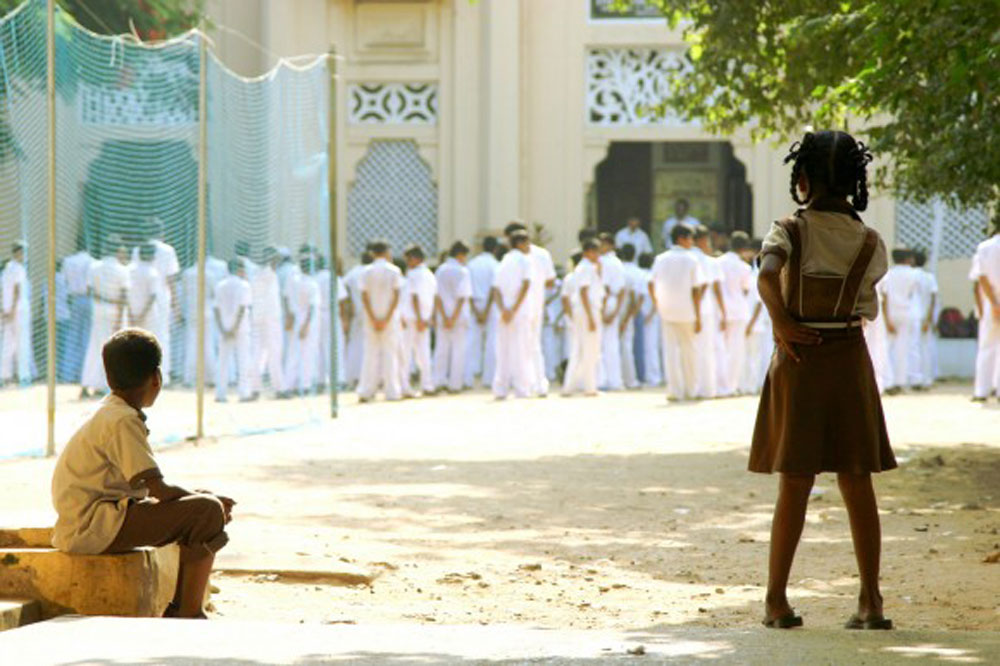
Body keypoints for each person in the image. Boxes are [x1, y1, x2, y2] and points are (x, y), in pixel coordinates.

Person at [750, 130, 894, 631]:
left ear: (803, 180)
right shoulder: (868, 241)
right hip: (849, 358)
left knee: (795, 480)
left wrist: (782, 324)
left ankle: (776, 601)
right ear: (855, 183)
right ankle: (871, 601)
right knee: (857, 477)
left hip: (799, 360)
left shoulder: (789, 230)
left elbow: (766, 275)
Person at [51, 328, 233, 619]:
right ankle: (189, 613)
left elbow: (150, 489)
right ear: (156, 377)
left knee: (201, 504)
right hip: (94, 527)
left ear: (109, 377)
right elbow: (160, 490)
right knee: (207, 511)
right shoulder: (123, 419)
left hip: (92, 521)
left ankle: (180, 609)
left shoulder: (109, 410)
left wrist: (194, 497)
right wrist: (206, 502)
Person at [649, 225, 705, 401]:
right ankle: (691, 390)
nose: (692, 242)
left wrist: (658, 303)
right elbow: (696, 290)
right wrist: (698, 316)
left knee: (670, 351)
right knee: (689, 351)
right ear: (681, 239)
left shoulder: (660, 259)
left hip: (667, 311)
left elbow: (650, 283)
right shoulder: (692, 259)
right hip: (687, 311)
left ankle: (674, 391)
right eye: (690, 238)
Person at [505, 222, 556, 397]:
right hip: (536, 305)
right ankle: (539, 384)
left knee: (519, 346)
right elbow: (551, 281)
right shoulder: (542, 254)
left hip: (518, 307)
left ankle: (525, 384)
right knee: (534, 346)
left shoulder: (512, 258)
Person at [81, 237, 131, 397]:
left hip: (98, 309)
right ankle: (104, 385)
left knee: (95, 346)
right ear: (117, 251)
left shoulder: (94, 267)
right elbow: (124, 296)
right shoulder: (122, 270)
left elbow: (89, 291)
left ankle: (86, 384)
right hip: (115, 310)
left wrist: (103, 298)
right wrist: (119, 318)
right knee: (113, 350)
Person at [132, 219, 179, 385]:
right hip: (160, 298)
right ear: (161, 233)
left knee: (139, 337)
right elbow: (171, 280)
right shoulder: (168, 250)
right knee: (161, 336)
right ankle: (162, 375)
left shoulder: (137, 249)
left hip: (140, 296)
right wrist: (176, 305)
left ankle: (139, 373)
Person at [357, 241, 403, 402]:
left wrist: (373, 318)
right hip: (389, 319)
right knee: (390, 355)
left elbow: (364, 297)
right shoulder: (394, 271)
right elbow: (396, 297)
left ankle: (366, 391)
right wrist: (386, 319)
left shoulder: (365, 272)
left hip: (371, 319)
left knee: (370, 354)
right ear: (386, 252)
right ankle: (392, 391)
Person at [491, 230, 534, 400]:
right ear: (520, 244)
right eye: (527, 243)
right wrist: (514, 310)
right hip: (519, 312)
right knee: (521, 349)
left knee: (503, 351)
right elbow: (526, 285)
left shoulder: (504, 261)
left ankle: (500, 388)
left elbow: (496, 289)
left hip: (504, 313)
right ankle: (522, 388)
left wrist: (503, 310)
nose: (529, 246)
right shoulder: (525, 260)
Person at [562, 239, 603, 396]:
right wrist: (591, 317)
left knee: (581, 349)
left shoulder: (584, 268)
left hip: (582, 310)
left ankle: (574, 386)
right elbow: (584, 292)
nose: (598, 255)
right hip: (588, 310)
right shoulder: (587, 268)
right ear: (588, 252)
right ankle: (587, 387)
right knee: (589, 349)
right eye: (596, 252)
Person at [181, 255, 228, 388]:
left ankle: (188, 377)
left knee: (191, 345)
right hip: (206, 311)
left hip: (192, 311)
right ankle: (211, 377)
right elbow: (214, 293)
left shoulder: (187, 273)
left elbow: (185, 291)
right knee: (208, 345)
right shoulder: (210, 274)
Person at [717, 232, 754, 396]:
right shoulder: (744, 267)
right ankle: (730, 386)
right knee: (735, 350)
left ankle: (719, 385)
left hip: (720, 310)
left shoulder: (717, 262)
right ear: (743, 248)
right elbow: (745, 290)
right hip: (738, 310)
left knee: (720, 349)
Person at [879, 248, 920, 395]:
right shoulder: (914, 274)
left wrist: (887, 319)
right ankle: (900, 381)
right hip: (906, 312)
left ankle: (887, 381)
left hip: (889, 312)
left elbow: (885, 296)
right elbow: (913, 294)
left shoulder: (887, 274)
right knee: (902, 348)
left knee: (886, 347)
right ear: (908, 259)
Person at [692, 225, 726, 398]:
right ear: (703, 240)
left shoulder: (689, 258)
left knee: (691, 349)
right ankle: (708, 388)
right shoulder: (710, 262)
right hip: (706, 309)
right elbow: (717, 290)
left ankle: (693, 387)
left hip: (688, 309)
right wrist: (724, 313)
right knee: (707, 349)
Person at [434, 242, 472, 393]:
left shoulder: (440, 270)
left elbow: (437, 296)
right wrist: (453, 318)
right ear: (460, 255)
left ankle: (438, 381)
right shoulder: (463, 271)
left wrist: (445, 316)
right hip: (459, 317)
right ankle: (455, 383)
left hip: (442, 316)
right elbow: (462, 297)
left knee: (441, 350)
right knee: (458, 351)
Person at [213, 259, 253, 403]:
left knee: (222, 361)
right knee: (243, 360)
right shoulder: (244, 285)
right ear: (238, 269)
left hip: (224, 327)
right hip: (240, 328)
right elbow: (242, 308)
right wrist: (235, 327)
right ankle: (244, 393)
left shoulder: (220, 285)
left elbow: (216, 309)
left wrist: (223, 329)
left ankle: (220, 393)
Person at [400, 245, 437, 397]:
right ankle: (427, 385)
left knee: (406, 353)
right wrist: (428, 318)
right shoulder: (430, 274)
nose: (407, 263)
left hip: (413, 318)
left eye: (409, 259)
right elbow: (433, 298)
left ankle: (404, 386)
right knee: (424, 353)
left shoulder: (413, 274)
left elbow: (414, 297)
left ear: (416, 259)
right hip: (424, 318)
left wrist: (419, 318)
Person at [284, 256, 321, 396]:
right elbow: (312, 307)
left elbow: (286, 298)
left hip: (294, 319)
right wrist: (306, 325)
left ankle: (289, 385)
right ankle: (305, 385)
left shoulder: (292, 280)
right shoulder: (312, 284)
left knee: (292, 354)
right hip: (307, 321)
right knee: (307, 354)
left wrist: (288, 316)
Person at [250, 247, 284, 397]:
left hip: (259, 317)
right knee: (274, 352)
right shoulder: (268, 273)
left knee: (259, 353)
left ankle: (255, 388)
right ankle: (279, 388)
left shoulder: (256, 273)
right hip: (270, 319)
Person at [970, 231, 1000, 402]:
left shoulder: (985, 247)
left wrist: (994, 303)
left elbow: (981, 278)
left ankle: (981, 391)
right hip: (992, 301)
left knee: (987, 346)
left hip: (990, 301)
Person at [466, 237, 499, 388]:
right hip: (490, 306)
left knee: (472, 343)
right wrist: (485, 310)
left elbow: (468, 290)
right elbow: (494, 289)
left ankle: (469, 377)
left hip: (474, 304)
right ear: (495, 249)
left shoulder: (472, 264)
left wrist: (476, 309)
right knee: (492, 342)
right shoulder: (495, 265)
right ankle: (489, 378)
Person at [62, 240, 96, 382]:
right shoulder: (91, 261)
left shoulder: (67, 261)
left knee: (73, 336)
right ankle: (84, 373)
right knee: (87, 336)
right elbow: (91, 285)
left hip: (73, 299)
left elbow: (64, 282)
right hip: (88, 299)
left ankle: (68, 373)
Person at [743, 240, 773, 395]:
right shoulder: (755, 274)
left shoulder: (756, 275)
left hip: (758, 322)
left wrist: (751, 323)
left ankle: (754, 385)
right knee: (758, 354)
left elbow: (758, 303)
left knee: (756, 355)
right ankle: (756, 384)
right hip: (760, 321)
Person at [1, 241, 33, 386]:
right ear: (18, 253)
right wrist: (13, 310)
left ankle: (4, 375)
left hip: (8, 310)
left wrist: (5, 310)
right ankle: (23, 376)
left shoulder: (6, 269)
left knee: (7, 344)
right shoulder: (19, 269)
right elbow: (17, 290)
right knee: (22, 343)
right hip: (18, 311)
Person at [597, 233, 626, 391]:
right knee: (612, 344)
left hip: (605, 301)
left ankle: (603, 379)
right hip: (614, 302)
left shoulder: (603, 262)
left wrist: (603, 311)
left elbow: (605, 288)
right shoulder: (618, 262)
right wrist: (616, 312)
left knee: (601, 344)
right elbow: (622, 290)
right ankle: (614, 380)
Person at [343, 251, 373, 389]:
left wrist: (350, 306)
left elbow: (344, 286)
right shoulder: (371, 271)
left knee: (355, 344)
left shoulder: (354, 272)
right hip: (373, 312)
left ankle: (354, 376)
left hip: (358, 312)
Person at [910, 250, 938, 390]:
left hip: (913, 316)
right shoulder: (929, 277)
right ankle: (927, 379)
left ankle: (915, 379)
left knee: (913, 348)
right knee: (926, 348)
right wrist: (930, 319)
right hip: (926, 316)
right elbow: (933, 299)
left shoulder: (911, 275)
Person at [618, 243, 644, 390]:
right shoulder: (637, 272)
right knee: (628, 347)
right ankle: (631, 379)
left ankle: (619, 378)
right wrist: (630, 317)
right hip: (629, 313)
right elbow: (637, 298)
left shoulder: (618, 270)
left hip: (614, 313)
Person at [637, 252, 663, 387]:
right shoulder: (652, 276)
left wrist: (650, 315)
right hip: (653, 315)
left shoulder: (645, 277)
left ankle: (654, 377)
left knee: (650, 347)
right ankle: (654, 375)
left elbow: (652, 298)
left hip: (649, 316)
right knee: (653, 347)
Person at [127, 244, 160, 331]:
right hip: (148, 316)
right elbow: (152, 297)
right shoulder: (152, 273)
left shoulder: (129, 270)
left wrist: (130, 314)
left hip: (131, 313)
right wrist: (142, 317)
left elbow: (125, 294)